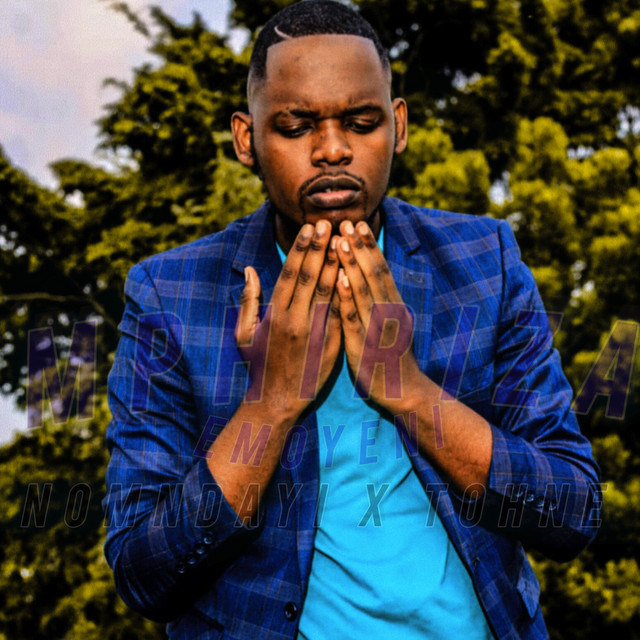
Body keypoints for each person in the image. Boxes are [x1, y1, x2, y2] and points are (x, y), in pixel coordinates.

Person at [103, 1, 601, 639]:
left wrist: (410, 393)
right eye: (296, 126)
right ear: (246, 139)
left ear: (398, 126)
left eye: (361, 123)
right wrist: (270, 403)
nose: (333, 150)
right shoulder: (170, 296)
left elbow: (572, 511)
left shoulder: (485, 263)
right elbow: (145, 575)